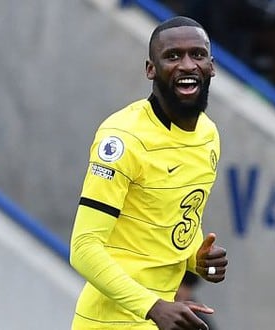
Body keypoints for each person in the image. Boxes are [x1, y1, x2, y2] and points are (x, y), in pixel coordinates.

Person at [69, 16, 228, 330]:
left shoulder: (208, 135)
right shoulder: (122, 138)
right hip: (110, 322)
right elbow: (83, 248)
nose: (186, 65)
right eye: (172, 56)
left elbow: (164, 226)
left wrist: (196, 257)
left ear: (211, 66)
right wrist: (152, 306)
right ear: (150, 69)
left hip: (160, 316)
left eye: (197, 55)